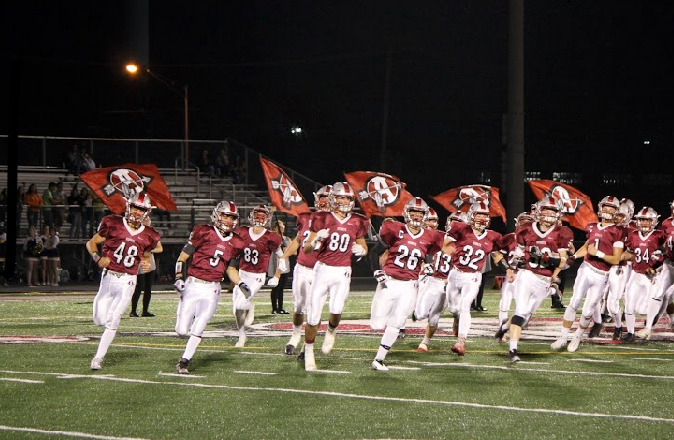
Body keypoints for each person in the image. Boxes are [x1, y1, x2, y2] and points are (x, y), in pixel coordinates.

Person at [369, 198, 450, 371]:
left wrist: (426, 265)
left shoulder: (431, 236)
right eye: (413, 212)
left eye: (420, 213)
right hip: (389, 281)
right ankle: (381, 349)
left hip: (410, 284)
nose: (416, 215)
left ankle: (379, 359)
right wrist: (377, 271)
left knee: (397, 322)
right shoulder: (395, 229)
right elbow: (374, 251)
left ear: (425, 215)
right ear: (406, 213)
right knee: (376, 324)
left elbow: (426, 253)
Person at [86, 193, 161, 371]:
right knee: (99, 320)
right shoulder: (113, 223)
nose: (136, 212)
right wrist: (97, 258)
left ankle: (98, 358)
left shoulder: (149, 233)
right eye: (135, 207)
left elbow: (147, 252)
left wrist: (145, 260)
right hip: (108, 277)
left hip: (128, 280)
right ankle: (103, 335)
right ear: (128, 207)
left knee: (114, 320)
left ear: (147, 212)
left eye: (141, 209)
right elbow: (91, 243)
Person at [299, 181, 369, 371]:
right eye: (341, 197)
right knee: (313, 316)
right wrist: (316, 241)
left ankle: (331, 330)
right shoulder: (321, 218)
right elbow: (306, 248)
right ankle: (309, 351)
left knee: (336, 311)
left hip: (343, 271)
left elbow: (364, 245)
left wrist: (362, 250)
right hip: (322, 269)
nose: (345, 201)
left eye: (348, 197)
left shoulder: (358, 221)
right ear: (333, 198)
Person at [173, 201, 248, 374]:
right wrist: (178, 277)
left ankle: (184, 361)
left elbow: (231, 269)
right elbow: (181, 258)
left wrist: (241, 283)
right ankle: (187, 328)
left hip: (213, 288)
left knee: (200, 325)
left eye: (232, 217)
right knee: (182, 330)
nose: (229, 220)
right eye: (226, 216)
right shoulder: (203, 231)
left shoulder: (237, 242)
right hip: (193, 284)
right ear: (217, 215)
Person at [551, 196, 624, 352]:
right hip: (586, 268)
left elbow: (616, 259)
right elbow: (586, 247)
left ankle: (577, 337)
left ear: (616, 211)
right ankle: (563, 337)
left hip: (602, 274)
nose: (607, 210)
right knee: (574, 301)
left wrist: (598, 253)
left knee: (588, 310)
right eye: (605, 207)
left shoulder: (617, 232)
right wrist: (573, 256)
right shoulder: (592, 227)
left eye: (611, 208)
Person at [505, 197, 573, 363]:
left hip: (544, 279)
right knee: (520, 311)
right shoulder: (525, 229)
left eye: (553, 211)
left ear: (558, 214)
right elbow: (518, 253)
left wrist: (548, 261)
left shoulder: (562, 233)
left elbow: (564, 262)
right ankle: (513, 349)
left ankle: (503, 330)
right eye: (546, 210)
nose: (549, 214)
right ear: (538, 211)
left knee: (527, 315)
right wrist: (513, 266)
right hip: (527, 275)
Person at [443, 201, 506, 356]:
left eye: (485, 215)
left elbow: (498, 254)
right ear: (471, 215)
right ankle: (456, 318)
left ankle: (461, 341)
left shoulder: (493, 236)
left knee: (465, 306)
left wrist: (508, 265)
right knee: (453, 308)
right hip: (455, 272)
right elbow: (445, 245)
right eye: (479, 215)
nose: (482, 218)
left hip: (473, 276)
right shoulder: (460, 228)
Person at [280, 184, 332, 356]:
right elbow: (296, 239)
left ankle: (307, 346)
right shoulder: (305, 217)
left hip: (322, 271)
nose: (324, 202)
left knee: (315, 310)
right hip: (302, 268)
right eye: (322, 198)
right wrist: (284, 256)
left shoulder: (337, 223)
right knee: (299, 306)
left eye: (327, 199)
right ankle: (295, 335)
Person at [230, 204, 287, 347]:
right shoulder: (242, 232)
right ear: (251, 216)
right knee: (236, 310)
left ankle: (247, 307)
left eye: (262, 216)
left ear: (267, 219)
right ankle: (242, 333)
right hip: (242, 274)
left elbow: (282, 257)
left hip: (257, 276)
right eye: (257, 216)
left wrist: (277, 276)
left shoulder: (270, 237)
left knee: (240, 305)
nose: (259, 219)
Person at [414, 210, 464, 353]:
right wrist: (424, 266)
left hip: (448, 284)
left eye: (459, 222)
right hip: (432, 280)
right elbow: (420, 249)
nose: (456, 225)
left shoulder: (466, 244)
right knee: (420, 313)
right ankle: (456, 315)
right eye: (453, 221)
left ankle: (425, 342)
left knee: (434, 317)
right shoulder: (439, 236)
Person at [623, 207, 666, 341]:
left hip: (652, 277)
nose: (645, 223)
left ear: (653, 221)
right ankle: (630, 332)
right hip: (636, 274)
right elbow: (629, 253)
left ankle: (648, 328)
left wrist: (657, 268)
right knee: (628, 304)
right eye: (642, 220)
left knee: (646, 307)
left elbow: (667, 253)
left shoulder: (659, 235)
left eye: (647, 220)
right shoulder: (634, 234)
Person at [130, 217, 163, 317]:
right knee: (139, 286)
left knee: (148, 287)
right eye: (145, 220)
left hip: (149, 261)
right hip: (139, 261)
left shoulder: (151, 233)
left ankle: (145, 310)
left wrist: (149, 251)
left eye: (148, 221)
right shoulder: (135, 232)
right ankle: (133, 310)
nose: (147, 222)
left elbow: (160, 248)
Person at [268, 219, 291, 314]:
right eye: (280, 227)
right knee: (275, 287)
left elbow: (294, 252)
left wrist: (287, 248)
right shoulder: (272, 237)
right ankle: (274, 308)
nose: (282, 228)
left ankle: (280, 308)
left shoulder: (286, 239)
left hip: (284, 265)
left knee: (281, 287)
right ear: (275, 228)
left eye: (283, 226)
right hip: (275, 264)